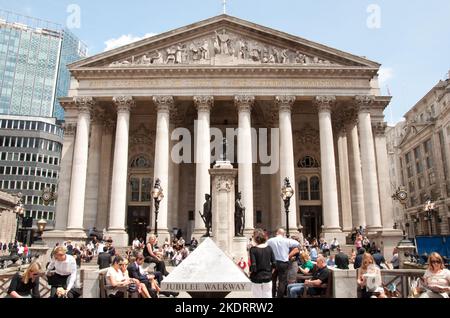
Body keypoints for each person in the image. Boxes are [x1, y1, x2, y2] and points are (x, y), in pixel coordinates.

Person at [267, 228, 300, 298]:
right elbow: (297, 244)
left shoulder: (270, 240)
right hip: (283, 263)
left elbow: (265, 245)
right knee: (282, 282)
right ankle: (279, 296)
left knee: (273, 281)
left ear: (277, 233)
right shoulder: (286, 240)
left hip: (273, 263)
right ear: (283, 234)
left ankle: (272, 296)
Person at [249, 228, 276, 298]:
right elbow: (274, 263)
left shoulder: (253, 250)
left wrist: (250, 272)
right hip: (268, 275)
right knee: (268, 295)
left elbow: (253, 265)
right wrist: (271, 272)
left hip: (256, 276)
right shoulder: (269, 248)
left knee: (257, 296)